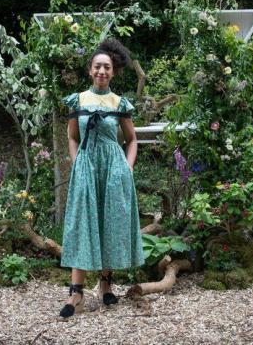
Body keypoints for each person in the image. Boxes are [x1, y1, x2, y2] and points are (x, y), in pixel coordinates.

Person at [58, 38, 145, 318]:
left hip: (113, 170)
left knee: (110, 222)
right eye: (97, 66)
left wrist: (127, 168)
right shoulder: (78, 100)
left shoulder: (119, 103)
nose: (102, 71)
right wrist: (77, 162)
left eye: (107, 67)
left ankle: (105, 284)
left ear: (113, 72)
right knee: (83, 223)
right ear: (90, 69)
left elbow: (132, 140)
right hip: (87, 168)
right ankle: (76, 294)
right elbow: (72, 137)